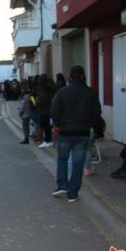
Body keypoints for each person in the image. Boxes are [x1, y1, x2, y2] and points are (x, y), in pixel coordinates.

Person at [51, 65, 102, 202]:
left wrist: (59, 124)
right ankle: (73, 193)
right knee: (78, 163)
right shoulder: (91, 93)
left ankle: (61, 185)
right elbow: (97, 113)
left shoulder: (62, 93)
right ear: (82, 76)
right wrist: (90, 125)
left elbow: (54, 113)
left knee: (62, 159)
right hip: (82, 132)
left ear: (70, 77)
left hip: (65, 132)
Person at [36, 74, 56, 148]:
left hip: (44, 110)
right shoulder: (51, 86)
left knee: (45, 125)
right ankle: (47, 140)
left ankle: (48, 140)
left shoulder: (43, 88)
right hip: (50, 108)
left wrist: (37, 101)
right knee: (47, 125)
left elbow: (43, 99)